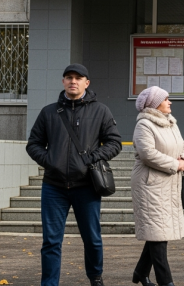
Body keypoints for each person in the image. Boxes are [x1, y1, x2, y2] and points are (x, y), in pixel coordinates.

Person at [26, 64, 122, 286]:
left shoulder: (101, 111)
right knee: (51, 241)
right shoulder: (48, 112)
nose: (73, 81)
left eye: (78, 78)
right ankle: (49, 283)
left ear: (86, 83)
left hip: (86, 185)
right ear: (63, 82)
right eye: (69, 77)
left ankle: (95, 277)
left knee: (92, 238)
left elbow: (114, 142)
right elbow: (34, 144)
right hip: (54, 186)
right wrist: (50, 161)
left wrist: (92, 158)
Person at [130, 86, 184, 286]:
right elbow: (148, 154)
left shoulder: (171, 123)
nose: (170, 102)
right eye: (166, 99)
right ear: (155, 104)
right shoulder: (144, 125)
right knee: (158, 235)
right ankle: (166, 282)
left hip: (169, 184)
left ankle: (140, 273)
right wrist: (176, 164)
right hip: (150, 186)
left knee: (157, 232)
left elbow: (183, 145)